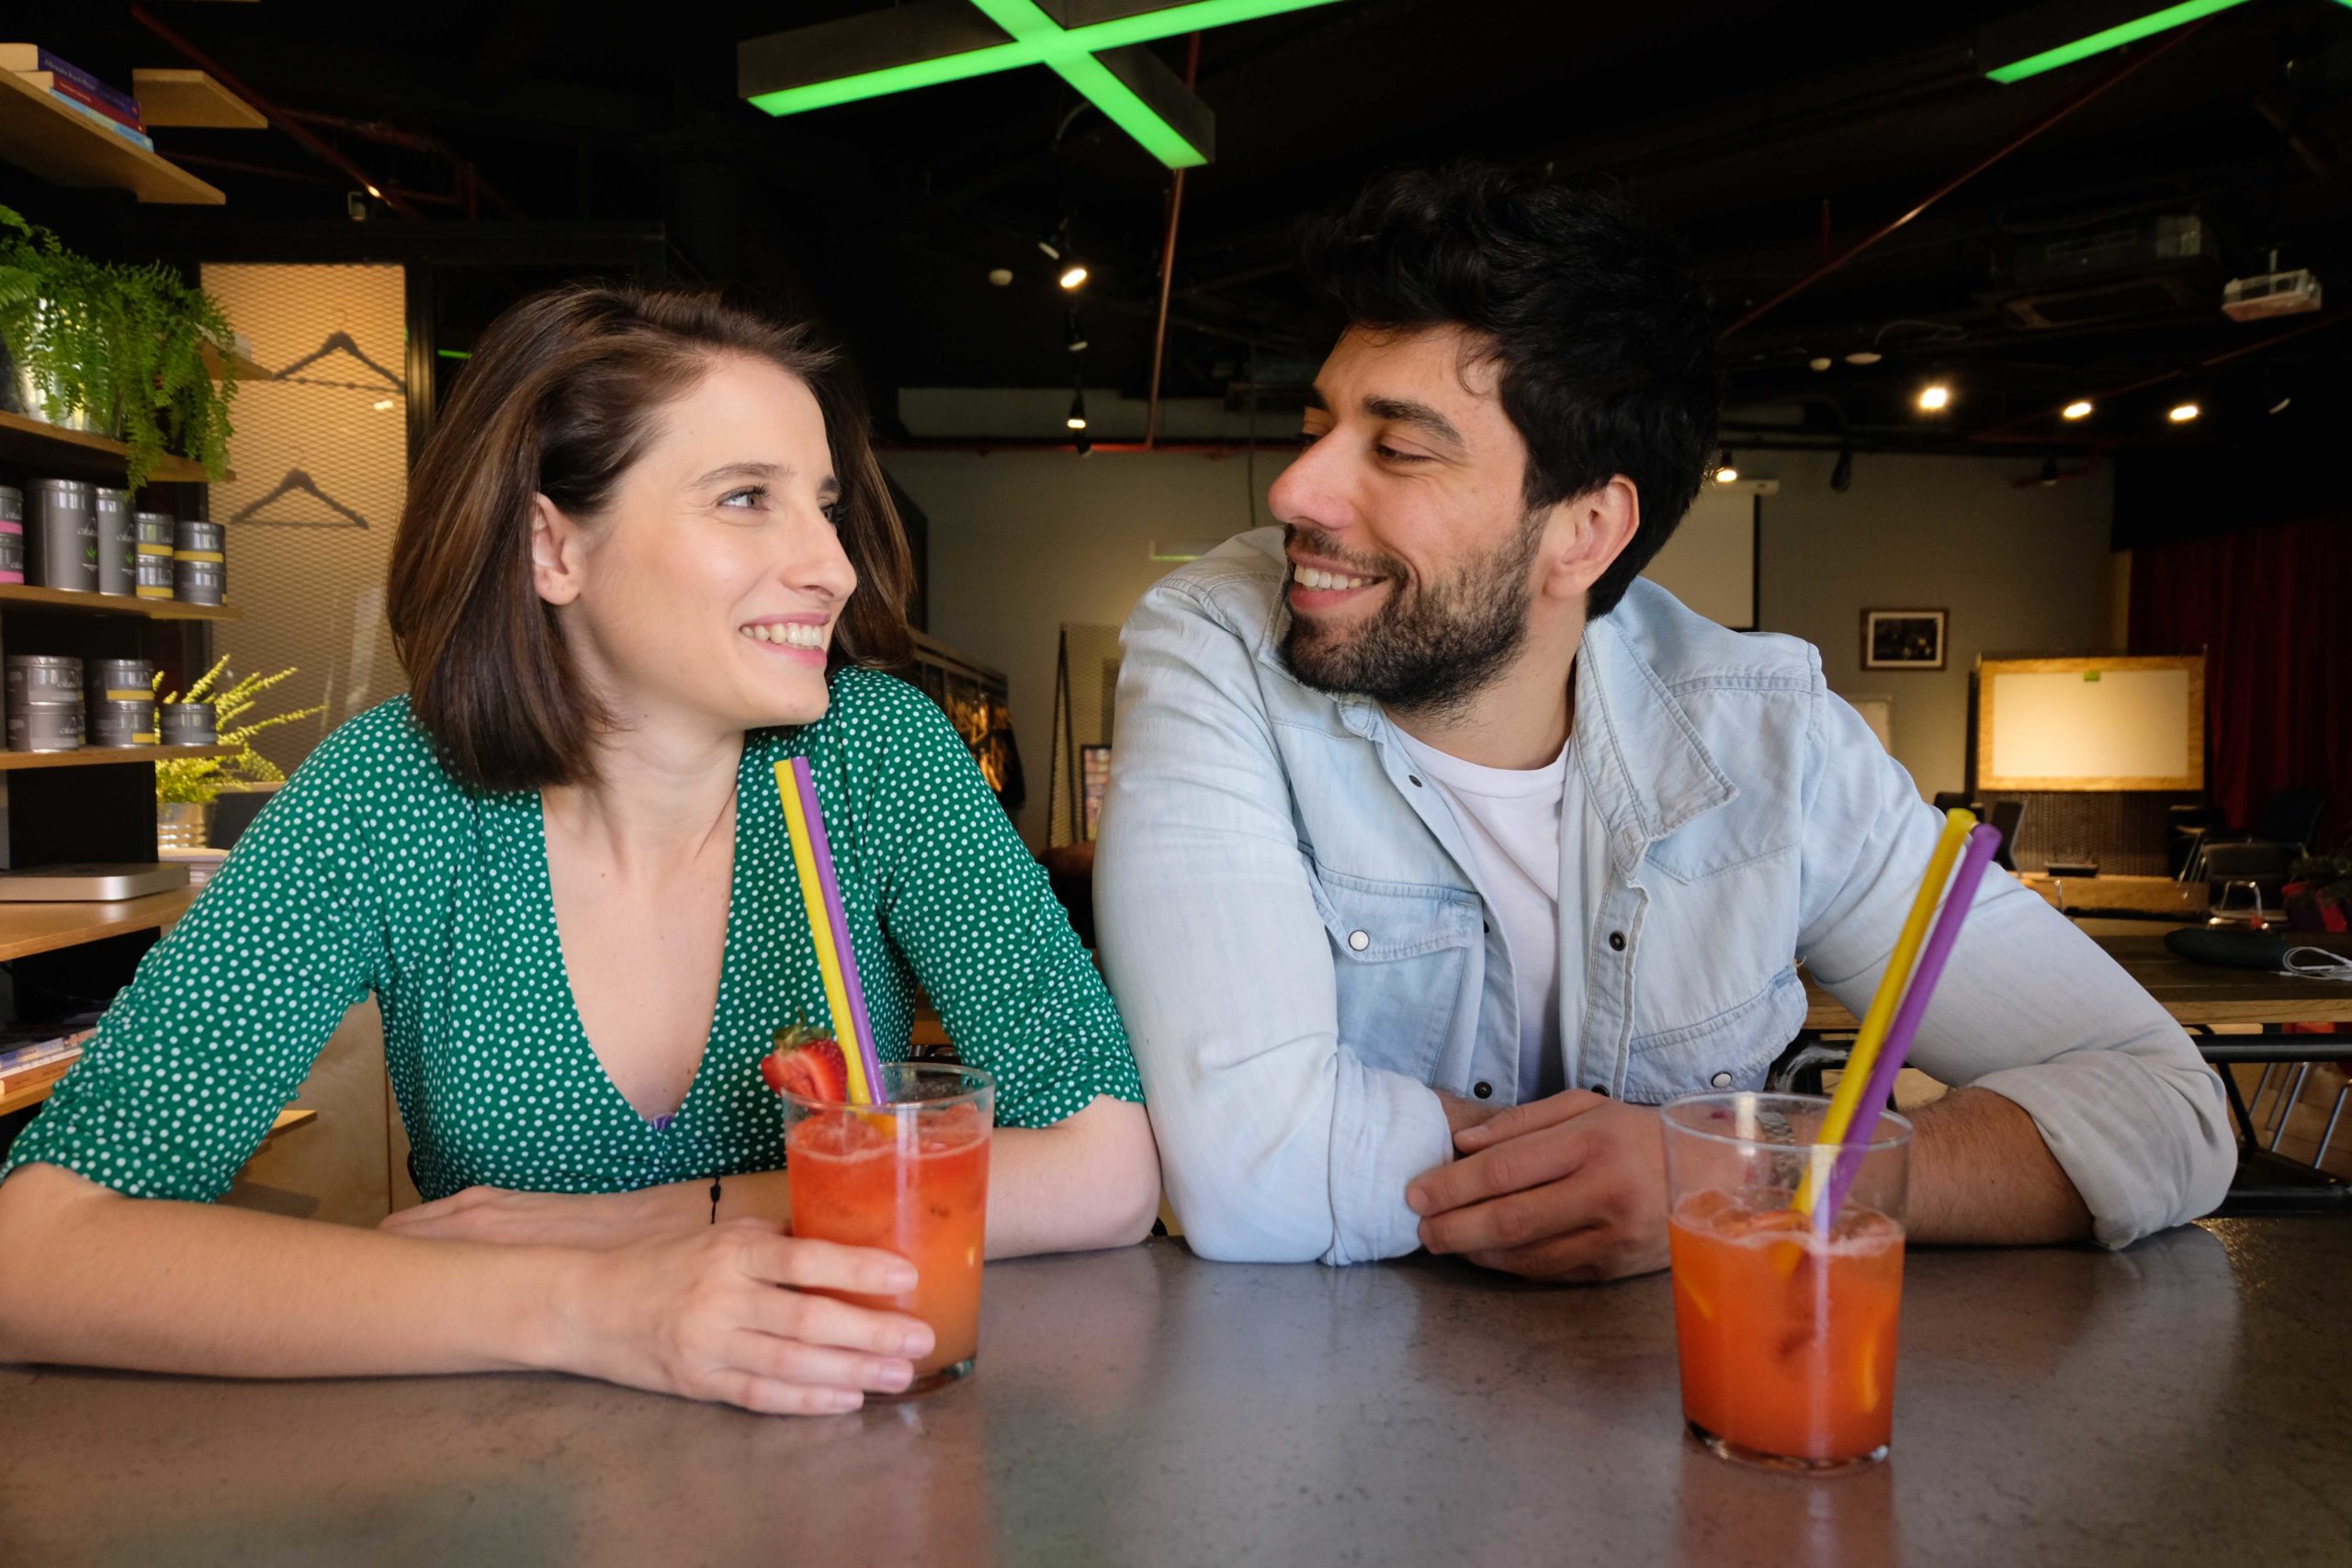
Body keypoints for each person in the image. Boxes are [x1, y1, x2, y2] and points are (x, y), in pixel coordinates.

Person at [0, 282, 1158, 1412]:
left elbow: (1104, 1166)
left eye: (824, 505)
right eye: (746, 498)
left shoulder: (874, 755)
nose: (834, 566)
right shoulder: (394, 791)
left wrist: (650, 1222)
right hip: (507, 1475)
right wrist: (593, 1305)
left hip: (849, 1432)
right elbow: (36, 1252)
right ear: (551, 548)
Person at [1094, 163, 2233, 1277]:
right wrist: (1618, 1174)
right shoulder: (1218, 642)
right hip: (1320, 1389)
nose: (1295, 490)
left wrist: (1734, 1177)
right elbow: (1244, 1169)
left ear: (1584, 531)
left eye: (1396, 449)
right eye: (1319, 426)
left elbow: (2169, 1110)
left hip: (1692, 1385)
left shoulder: (1767, 736)